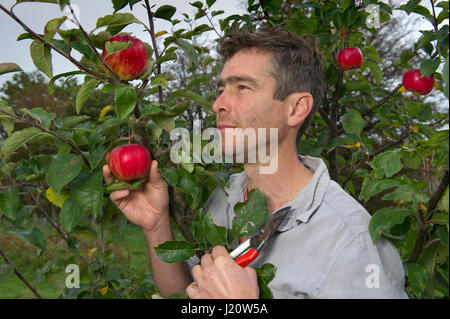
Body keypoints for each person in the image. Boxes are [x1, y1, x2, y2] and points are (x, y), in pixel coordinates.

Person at [103, 27, 408, 299]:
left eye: (242, 88)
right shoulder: (224, 198)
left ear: (296, 109)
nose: (218, 104)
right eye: (221, 89)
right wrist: (157, 226)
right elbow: (189, 294)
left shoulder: (352, 242)